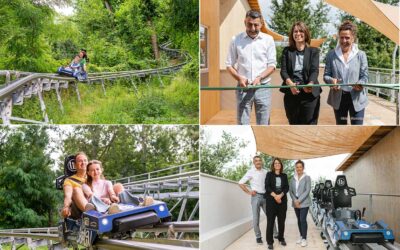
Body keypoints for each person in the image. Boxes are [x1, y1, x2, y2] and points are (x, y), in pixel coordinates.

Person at [226, 10, 277, 125]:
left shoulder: (268, 40)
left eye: (256, 25)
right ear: (245, 22)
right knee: (242, 125)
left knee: (263, 124)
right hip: (243, 88)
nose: (253, 28)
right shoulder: (236, 40)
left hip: (263, 87)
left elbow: (272, 65)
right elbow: (229, 65)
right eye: (250, 24)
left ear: (261, 24)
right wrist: (239, 78)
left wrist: (259, 77)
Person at [324, 20, 369, 125]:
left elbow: (365, 76)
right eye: (341, 37)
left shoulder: (361, 55)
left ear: (353, 38)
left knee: (357, 131)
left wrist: (361, 83)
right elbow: (326, 76)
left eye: (347, 38)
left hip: (357, 98)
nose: (344, 40)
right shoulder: (331, 55)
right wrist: (331, 80)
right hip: (339, 99)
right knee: (341, 129)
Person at [280, 21, 321, 125]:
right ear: (292, 34)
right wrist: (290, 84)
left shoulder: (314, 51)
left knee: (309, 126)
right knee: (293, 124)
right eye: (295, 31)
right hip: (291, 93)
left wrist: (311, 83)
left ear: (306, 33)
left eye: (301, 31)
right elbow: (283, 71)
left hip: (309, 94)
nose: (298, 33)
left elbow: (314, 70)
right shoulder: (287, 51)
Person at [238, 156, 268, 245]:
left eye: (259, 160)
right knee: (256, 218)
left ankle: (275, 234)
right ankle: (258, 237)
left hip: (265, 197)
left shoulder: (265, 172)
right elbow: (240, 183)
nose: (258, 162)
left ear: (261, 161)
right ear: (254, 162)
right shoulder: (250, 172)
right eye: (256, 161)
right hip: (256, 197)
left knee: (270, 216)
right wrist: (249, 192)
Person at [265, 158, 289, 249]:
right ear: (273, 165)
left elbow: (286, 187)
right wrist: (275, 196)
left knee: (281, 221)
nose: (277, 164)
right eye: (275, 163)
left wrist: (280, 196)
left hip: (282, 202)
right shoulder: (269, 174)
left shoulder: (284, 175)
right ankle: (270, 242)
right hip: (271, 201)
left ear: (281, 165)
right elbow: (267, 187)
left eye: (279, 163)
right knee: (270, 221)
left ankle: (281, 238)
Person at [62, 152, 94, 219]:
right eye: (80, 161)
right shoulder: (69, 180)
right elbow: (68, 196)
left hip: (96, 202)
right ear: (75, 165)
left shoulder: (94, 175)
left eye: (85, 160)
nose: (83, 163)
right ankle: (92, 213)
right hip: (79, 210)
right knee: (76, 189)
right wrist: (66, 206)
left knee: (118, 186)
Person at [289, 160, 311, 247]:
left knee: (302, 220)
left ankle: (304, 239)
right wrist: (295, 200)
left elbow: (307, 190)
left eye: (300, 167)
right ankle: (301, 236)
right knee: (298, 220)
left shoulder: (307, 178)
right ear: (295, 168)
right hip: (295, 202)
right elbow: (291, 191)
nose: (298, 168)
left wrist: (299, 200)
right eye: (297, 167)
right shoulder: (292, 178)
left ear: (303, 168)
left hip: (304, 202)